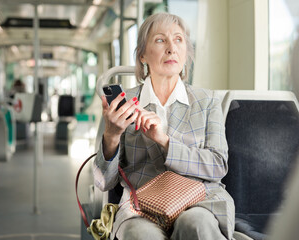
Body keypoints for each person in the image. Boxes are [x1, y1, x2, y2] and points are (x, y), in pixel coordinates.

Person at [93, 12, 235, 240]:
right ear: (142, 55)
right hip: (142, 207)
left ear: (186, 52)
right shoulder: (122, 105)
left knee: (196, 224)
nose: (171, 48)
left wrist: (165, 142)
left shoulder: (207, 101)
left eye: (179, 39)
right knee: (140, 235)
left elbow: (218, 166)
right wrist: (111, 135)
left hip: (199, 201)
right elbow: (102, 182)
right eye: (160, 40)